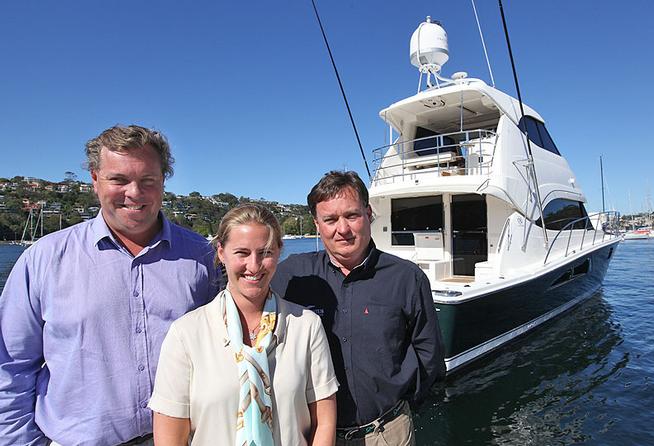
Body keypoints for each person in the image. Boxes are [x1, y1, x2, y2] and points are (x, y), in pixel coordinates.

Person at [0, 125, 222, 445]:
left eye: (148, 180)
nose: (134, 192)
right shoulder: (44, 261)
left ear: (163, 182)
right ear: (95, 180)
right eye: (119, 180)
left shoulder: (201, 256)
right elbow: (10, 369)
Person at [270, 171, 445, 446]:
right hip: (315, 436)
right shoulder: (291, 276)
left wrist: (399, 403)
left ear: (368, 213)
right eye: (330, 219)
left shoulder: (407, 278)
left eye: (351, 215)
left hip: (387, 433)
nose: (342, 229)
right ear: (317, 224)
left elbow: (429, 354)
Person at [149, 203, 338, 446]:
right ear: (221, 252)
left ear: (279, 251)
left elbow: (323, 420)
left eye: (265, 252)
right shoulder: (186, 334)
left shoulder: (306, 327)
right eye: (242, 253)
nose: (254, 265)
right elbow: (169, 437)